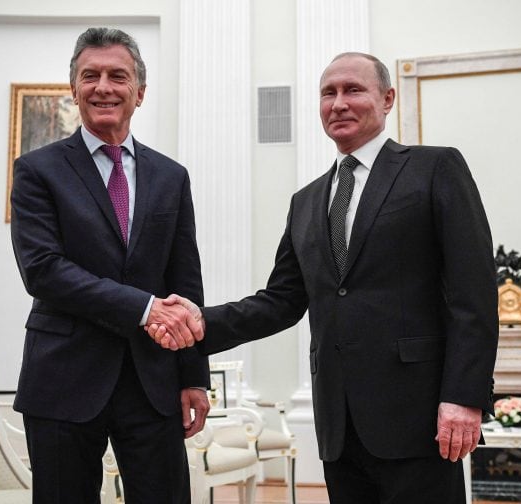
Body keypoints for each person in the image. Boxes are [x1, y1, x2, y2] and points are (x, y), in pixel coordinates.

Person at [150, 52, 498, 503]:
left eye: (353, 90)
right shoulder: (306, 201)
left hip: (420, 418)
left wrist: (464, 396)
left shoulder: (434, 169)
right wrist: (200, 323)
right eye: (328, 93)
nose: (338, 103)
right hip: (339, 425)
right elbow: (280, 301)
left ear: (387, 98)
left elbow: (474, 293)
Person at [10, 27, 209, 503]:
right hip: (62, 377)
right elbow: (43, 269)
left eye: (117, 76)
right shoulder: (37, 170)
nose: (103, 87)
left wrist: (194, 376)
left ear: (139, 92)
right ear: (73, 90)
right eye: (90, 76)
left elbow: (185, 281)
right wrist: (143, 308)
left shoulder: (171, 176)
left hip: (152, 381)